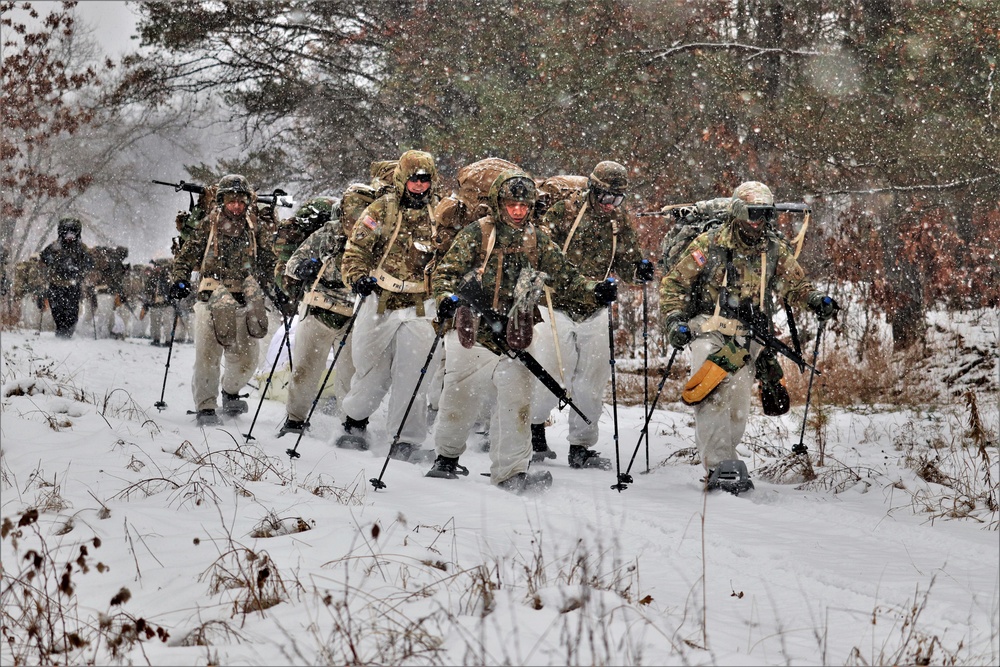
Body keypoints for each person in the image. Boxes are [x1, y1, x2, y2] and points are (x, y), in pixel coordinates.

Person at [428, 169, 614, 493]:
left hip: (515, 332)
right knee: (461, 393)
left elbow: (566, 276)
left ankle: (511, 471)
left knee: (518, 400)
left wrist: (594, 291)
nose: (517, 211)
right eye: (511, 204)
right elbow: (446, 272)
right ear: (500, 203)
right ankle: (446, 457)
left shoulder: (536, 240)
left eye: (523, 205)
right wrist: (446, 299)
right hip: (473, 329)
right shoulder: (478, 234)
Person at [659, 180, 838, 492]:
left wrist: (816, 301)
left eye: (765, 214)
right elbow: (674, 284)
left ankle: (728, 459)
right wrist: (675, 321)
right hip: (709, 330)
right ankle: (719, 467)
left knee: (738, 406)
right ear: (739, 212)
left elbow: (794, 285)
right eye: (754, 213)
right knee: (712, 396)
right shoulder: (709, 244)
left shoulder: (773, 248)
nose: (759, 221)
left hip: (748, 339)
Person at [530, 161, 653, 469]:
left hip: (595, 310)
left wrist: (639, 270)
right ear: (592, 190)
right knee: (552, 373)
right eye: (606, 197)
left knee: (591, 380)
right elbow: (542, 255)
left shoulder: (618, 221)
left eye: (618, 199)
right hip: (554, 304)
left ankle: (581, 446)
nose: (611, 205)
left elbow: (627, 260)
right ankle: (532, 429)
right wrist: (584, 286)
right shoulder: (564, 212)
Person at [335, 150, 442, 461]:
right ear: (401, 178)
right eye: (414, 179)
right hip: (381, 299)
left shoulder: (441, 214)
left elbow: (454, 255)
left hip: (422, 304)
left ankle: (406, 440)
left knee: (415, 374)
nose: (420, 185)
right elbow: (355, 249)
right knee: (372, 370)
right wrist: (357, 278)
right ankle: (355, 421)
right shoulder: (381, 209)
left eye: (425, 179)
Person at [169, 174, 277, 427]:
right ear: (222, 201)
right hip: (211, 295)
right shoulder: (209, 225)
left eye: (241, 201)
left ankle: (231, 391)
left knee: (248, 359)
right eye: (231, 201)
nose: (237, 206)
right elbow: (185, 257)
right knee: (208, 355)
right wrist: (179, 280)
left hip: (246, 299)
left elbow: (270, 260)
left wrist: (281, 286)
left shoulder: (255, 226)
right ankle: (206, 407)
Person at [277, 197, 357, 436]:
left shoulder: (371, 236)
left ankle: (351, 426)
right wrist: (304, 268)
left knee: (350, 376)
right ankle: (295, 421)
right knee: (305, 370)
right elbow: (292, 264)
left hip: (352, 314)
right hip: (319, 309)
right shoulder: (327, 233)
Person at [39, 217, 95, 338]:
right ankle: (60, 330)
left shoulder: (81, 248)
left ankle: (68, 332)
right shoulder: (55, 246)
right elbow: (43, 256)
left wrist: (82, 269)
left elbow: (90, 262)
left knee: (72, 311)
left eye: (72, 232)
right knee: (57, 310)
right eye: (67, 232)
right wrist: (50, 260)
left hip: (73, 285)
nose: (69, 236)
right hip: (56, 284)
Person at [143, 257, 175, 346]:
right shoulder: (152, 277)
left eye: (159, 266)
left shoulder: (168, 276)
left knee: (167, 322)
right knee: (155, 323)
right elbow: (147, 290)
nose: (157, 268)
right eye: (156, 266)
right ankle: (156, 339)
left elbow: (171, 289)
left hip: (167, 303)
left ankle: (168, 340)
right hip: (155, 303)